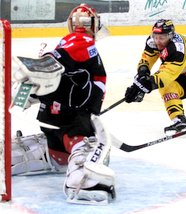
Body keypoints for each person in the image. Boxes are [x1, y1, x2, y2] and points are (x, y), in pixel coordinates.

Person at [11, 4, 115, 204]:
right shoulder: (83, 39)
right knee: (87, 142)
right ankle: (82, 174)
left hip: (53, 120)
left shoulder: (71, 42)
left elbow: (55, 72)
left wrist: (28, 93)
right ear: (93, 24)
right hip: (72, 120)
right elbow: (55, 63)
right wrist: (38, 70)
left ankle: (57, 156)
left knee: (60, 143)